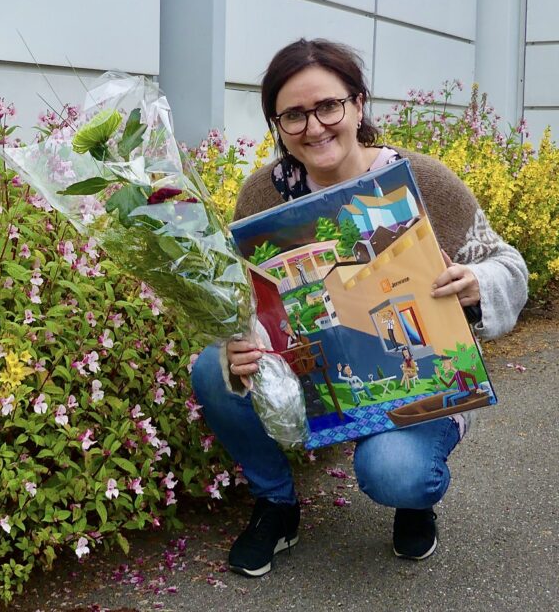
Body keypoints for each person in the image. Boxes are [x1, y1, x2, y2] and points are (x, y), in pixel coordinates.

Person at [191, 38, 528, 578]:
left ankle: (415, 497)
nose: (314, 127)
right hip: (311, 368)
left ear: (358, 104)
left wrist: (476, 282)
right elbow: (248, 300)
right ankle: (276, 503)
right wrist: (241, 342)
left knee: (396, 472)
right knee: (213, 366)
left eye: (329, 106)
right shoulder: (261, 195)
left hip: (418, 372)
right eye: (294, 115)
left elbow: (509, 265)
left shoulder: (422, 180)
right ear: (277, 124)